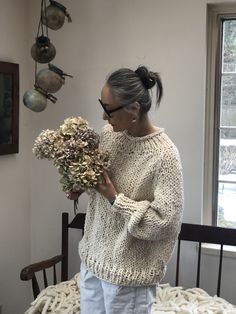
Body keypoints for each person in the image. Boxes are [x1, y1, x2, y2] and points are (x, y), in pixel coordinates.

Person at [67, 66, 184, 314]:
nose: (103, 116)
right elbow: (102, 187)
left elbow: (166, 224)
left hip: (128, 278)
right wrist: (83, 185)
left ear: (134, 109)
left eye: (108, 109)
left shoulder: (164, 155)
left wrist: (115, 199)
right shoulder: (109, 135)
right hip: (92, 262)